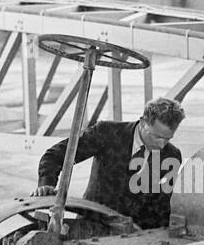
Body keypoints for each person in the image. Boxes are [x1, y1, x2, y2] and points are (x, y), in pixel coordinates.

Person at [34, 97, 186, 229]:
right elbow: (56, 155)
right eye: (157, 137)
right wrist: (46, 183)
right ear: (143, 122)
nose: (161, 145)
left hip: (134, 233)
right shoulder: (107, 133)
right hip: (92, 224)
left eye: (168, 139)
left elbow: (162, 205)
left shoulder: (171, 155)